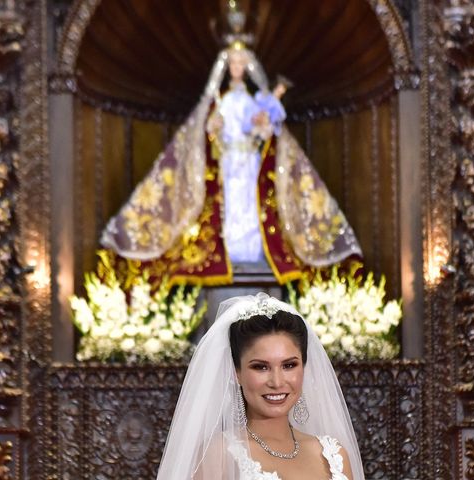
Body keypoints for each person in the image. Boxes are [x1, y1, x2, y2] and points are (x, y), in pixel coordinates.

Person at [100, 41, 362, 286]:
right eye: (233, 64)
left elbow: (267, 133)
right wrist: (216, 126)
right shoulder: (220, 99)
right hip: (228, 160)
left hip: (249, 160)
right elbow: (210, 130)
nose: (237, 68)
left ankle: (251, 250)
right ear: (228, 68)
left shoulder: (254, 99)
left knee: (250, 202)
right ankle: (231, 248)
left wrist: (262, 126)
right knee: (229, 202)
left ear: (246, 68)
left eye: (241, 64)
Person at [157, 293, 365, 479]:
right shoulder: (218, 454)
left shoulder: (334, 455)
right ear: (236, 373)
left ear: (304, 367)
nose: (277, 382)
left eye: (289, 365)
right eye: (261, 367)